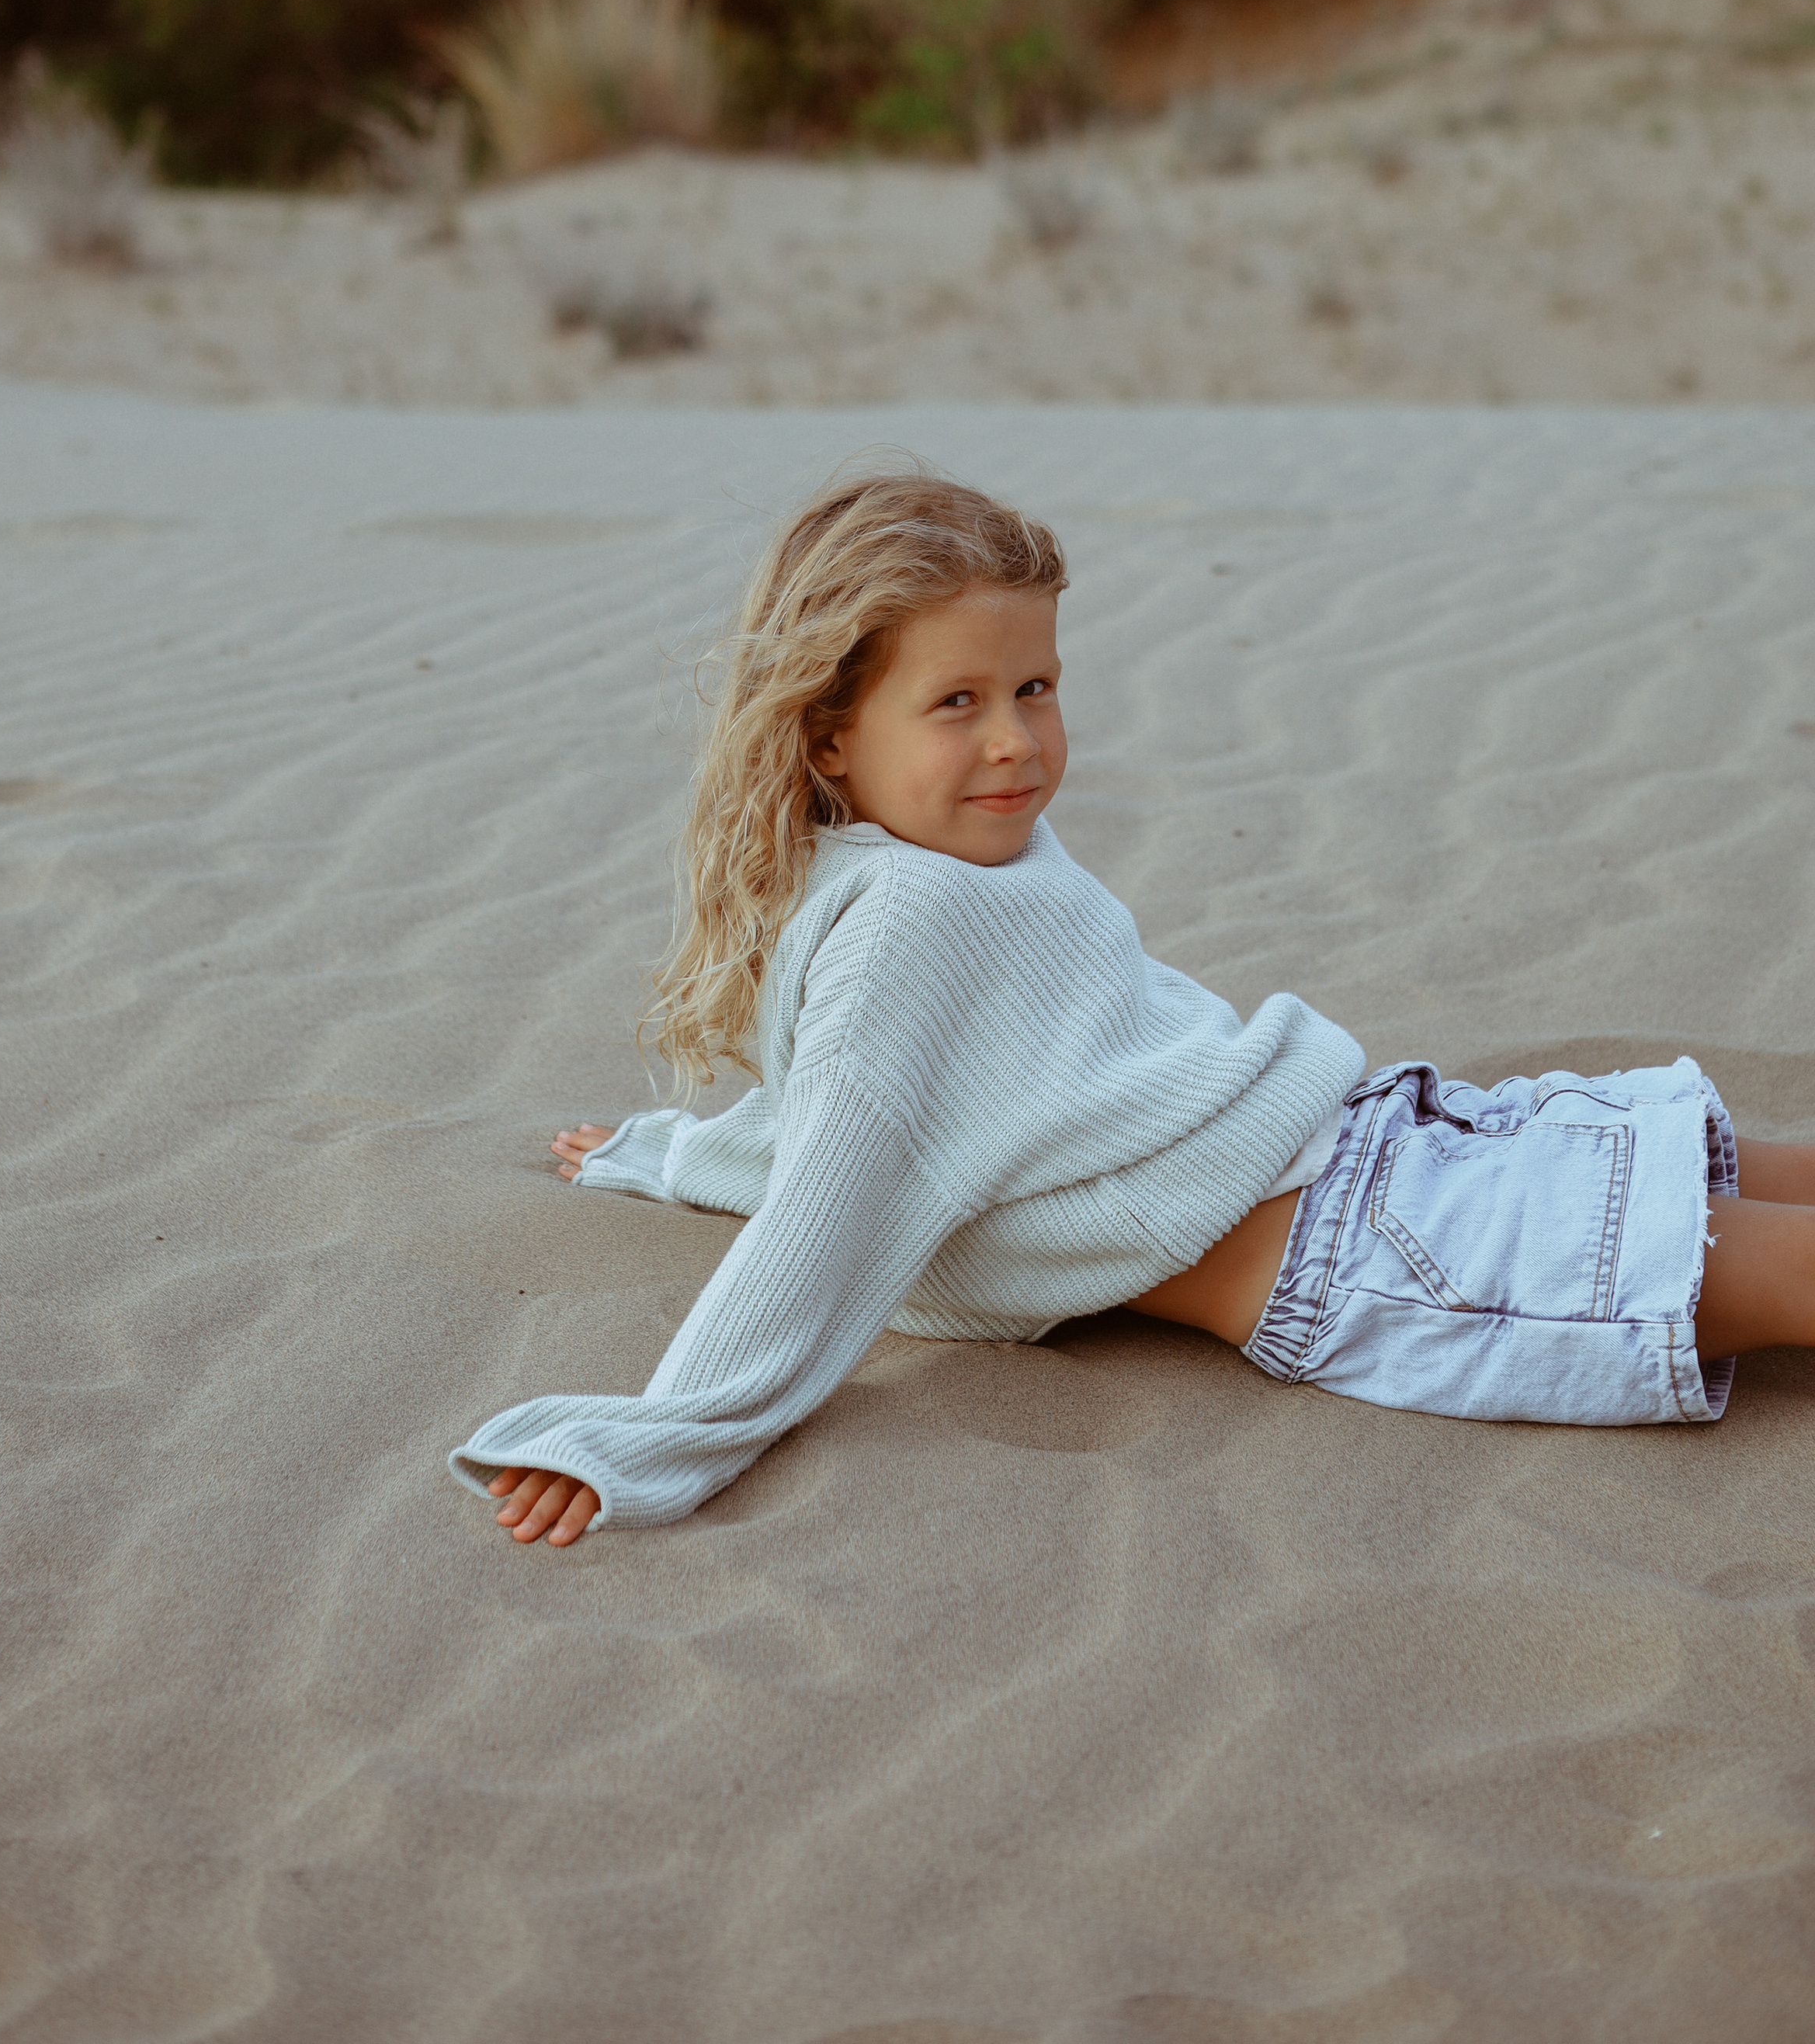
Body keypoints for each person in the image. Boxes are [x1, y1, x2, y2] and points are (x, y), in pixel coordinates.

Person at [450, 469, 1815, 1543]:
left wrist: (678, 1154)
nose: (1014, 741)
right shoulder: (909, 923)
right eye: (958, 702)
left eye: (1036, 687)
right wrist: (654, 1433)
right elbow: (836, 1193)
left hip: (1389, 1155)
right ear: (826, 732)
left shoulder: (941, 866)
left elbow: (883, 1123)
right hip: (1383, 1245)